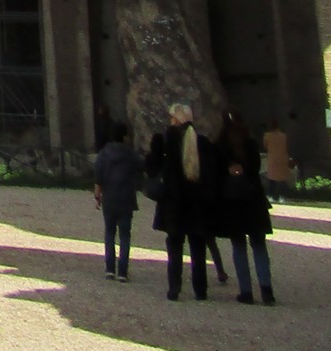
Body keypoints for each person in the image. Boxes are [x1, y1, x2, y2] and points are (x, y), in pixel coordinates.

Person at [146, 102, 215, 301]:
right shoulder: (201, 142)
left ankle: (174, 288)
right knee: (198, 248)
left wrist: (154, 149)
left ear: (175, 120)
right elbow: (211, 175)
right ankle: (200, 289)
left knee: (175, 248)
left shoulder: (165, 141)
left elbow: (151, 168)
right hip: (197, 203)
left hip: (174, 203)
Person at [215, 111, 277, 304]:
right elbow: (255, 169)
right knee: (259, 246)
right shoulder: (250, 144)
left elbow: (218, 174)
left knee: (239, 247)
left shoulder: (221, 146)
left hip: (234, 201)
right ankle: (266, 291)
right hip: (253, 199)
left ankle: (246, 292)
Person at [92, 121, 139, 281]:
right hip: (126, 197)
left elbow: (98, 174)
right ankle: (123, 271)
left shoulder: (104, 153)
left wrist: (98, 194)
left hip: (110, 198)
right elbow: (139, 169)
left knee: (110, 233)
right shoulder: (130, 154)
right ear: (125, 136)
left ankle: (110, 268)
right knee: (125, 235)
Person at [263, 125, 293, 203]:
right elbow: (288, 146)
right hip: (283, 158)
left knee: (272, 178)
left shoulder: (267, 136)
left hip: (272, 158)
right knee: (282, 178)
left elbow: (265, 147)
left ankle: (271, 196)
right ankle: (282, 196)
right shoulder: (284, 136)